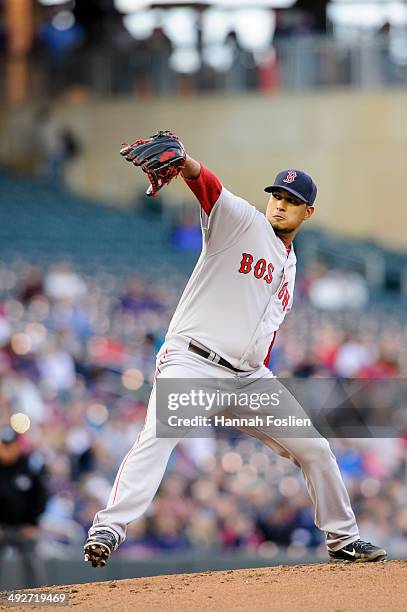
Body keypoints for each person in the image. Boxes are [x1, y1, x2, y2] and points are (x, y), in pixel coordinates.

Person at [84, 149, 387, 566]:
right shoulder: (242, 223)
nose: (280, 203)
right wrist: (186, 162)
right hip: (195, 361)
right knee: (159, 436)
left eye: (292, 199)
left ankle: (343, 540)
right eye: (276, 195)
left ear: (308, 212)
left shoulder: (292, 262)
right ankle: (108, 528)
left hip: (248, 378)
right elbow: (208, 189)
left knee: (315, 448)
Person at [0, 426, 48, 587]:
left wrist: (32, 523)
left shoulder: (28, 466)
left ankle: (37, 599)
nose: (6, 449)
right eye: (3, 445)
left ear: (17, 446)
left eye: (9, 445)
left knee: (32, 562)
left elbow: (41, 497)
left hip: (24, 528)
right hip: (1, 527)